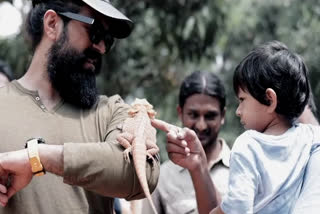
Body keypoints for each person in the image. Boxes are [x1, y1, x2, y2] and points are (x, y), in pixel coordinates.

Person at [0, 0, 160, 213]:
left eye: (108, 39)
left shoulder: (112, 110)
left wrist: (37, 158)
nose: (102, 47)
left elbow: (142, 174)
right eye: (95, 32)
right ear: (52, 24)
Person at [151, 41, 320, 214]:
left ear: (270, 100)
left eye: (242, 100)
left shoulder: (247, 146)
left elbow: (237, 209)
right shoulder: (310, 137)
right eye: (193, 114)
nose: (238, 111)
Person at [142, 71, 230, 214]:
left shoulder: (242, 168)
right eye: (193, 115)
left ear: (223, 115)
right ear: (180, 112)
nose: (201, 125)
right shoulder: (162, 176)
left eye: (210, 116)